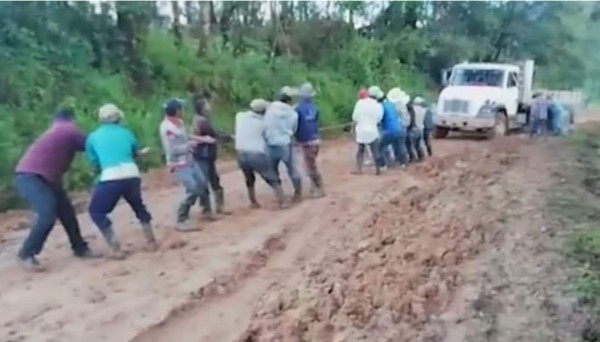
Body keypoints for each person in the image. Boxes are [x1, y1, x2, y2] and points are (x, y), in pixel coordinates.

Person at [14, 109, 100, 271]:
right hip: (33, 177)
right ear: (72, 119)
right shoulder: (68, 130)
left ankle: (79, 247)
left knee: (67, 212)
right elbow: (94, 144)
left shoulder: (57, 130)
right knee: (47, 213)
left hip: (41, 177)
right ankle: (26, 253)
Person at [86, 104, 156, 259]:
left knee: (96, 212)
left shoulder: (93, 137)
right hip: (131, 173)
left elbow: (95, 164)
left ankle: (116, 248)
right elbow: (134, 153)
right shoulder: (127, 133)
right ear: (118, 118)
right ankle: (150, 240)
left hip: (111, 176)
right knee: (138, 205)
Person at [159, 98, 216, 231]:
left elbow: (186, 136)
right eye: (181, 109)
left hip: (189, 160)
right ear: (177, 111)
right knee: (193, 189)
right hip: (178, 164)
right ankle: (181, 218)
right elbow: (172, 150)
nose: (183, 111)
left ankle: (205, 211)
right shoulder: (167, 128)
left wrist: (202, 139)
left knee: (202, 183)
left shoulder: (179, 123)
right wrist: (188, 146)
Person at [234, 99, 286, 208]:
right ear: (263, 111)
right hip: (256, 154)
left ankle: (253, 202)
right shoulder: (263, 124)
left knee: (249, 179)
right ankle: (282, 202)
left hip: (240, 153)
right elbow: (268, 138)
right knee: (272, 178)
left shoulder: (239, 116)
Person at [191, 93, 232, 215]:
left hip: (202, 155)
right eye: (207, 104)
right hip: (204, 155)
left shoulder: (198, 119)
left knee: (207, 181)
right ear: (202, 108)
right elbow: (215, 135)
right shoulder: (203, 121)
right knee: (210, 182)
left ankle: (207, 209)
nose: (210, 106)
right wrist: (229, 137)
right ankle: (211, 209)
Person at [264, 86, 303, 202]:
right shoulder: (293, 113)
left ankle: (280, 196)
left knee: (272, 170)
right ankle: (298, 194)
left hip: (270, 143)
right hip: (285, 143)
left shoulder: (270, 109)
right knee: (292, 169)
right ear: (290, 100)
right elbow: (294, 129)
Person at [295, 82, 325, 198]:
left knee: (310, 166)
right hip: (315, 138)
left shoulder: (297, 109)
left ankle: (320, 188)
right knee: (311, 163)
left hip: (306, 140)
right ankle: (314, 187)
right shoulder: (315, 108)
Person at [373, 86, 408, 169]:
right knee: (400, 146)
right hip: (399, 129)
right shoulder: (391, 105)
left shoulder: (380, 107)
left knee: (380, 146)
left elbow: (379, 119)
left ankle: (383, 164)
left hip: (389, 131)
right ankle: (403, 163)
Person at [352, 86, 384, 175]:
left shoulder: (359, 103)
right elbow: (379, 118)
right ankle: (378, 169)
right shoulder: (377, 105)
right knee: (375, 150)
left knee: (360, 150)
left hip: (361, 130)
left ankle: (359, 169)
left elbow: (354, 117)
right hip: (373, 130)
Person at [406, 96, 427, 162]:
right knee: (418, 145)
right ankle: (422, 157)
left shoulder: (412, 109)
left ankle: (413, 158)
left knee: (410, 145)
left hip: (414, 128)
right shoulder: (423, 110)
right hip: (421, 129)